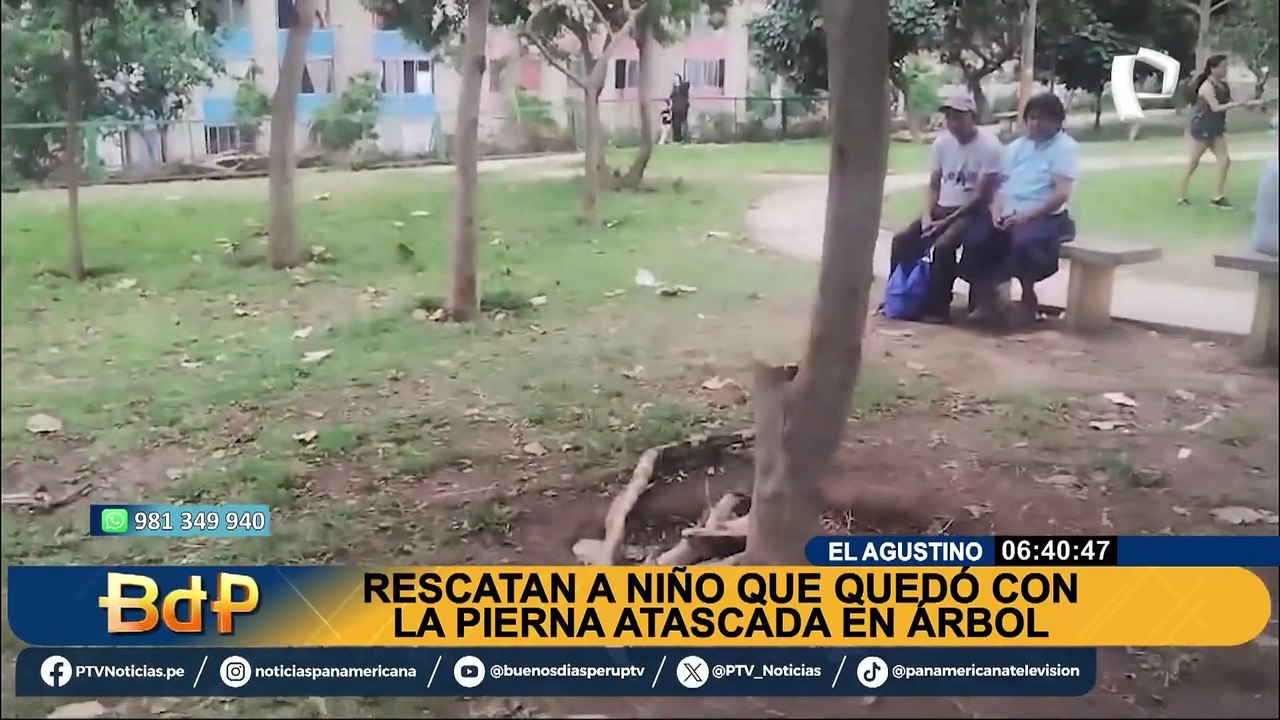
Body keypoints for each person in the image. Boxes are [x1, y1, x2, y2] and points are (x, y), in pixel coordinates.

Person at [963, 92, 1079, 324]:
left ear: (1057, 121)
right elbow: (999, 186)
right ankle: (987, 300)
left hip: (1046, 216)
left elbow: (1061, 194)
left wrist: (1027, 217)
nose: (1036, 123)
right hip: (1009, 212)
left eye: (1043, 118)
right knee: (977, 237)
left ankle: (1027, 299)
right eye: (1032, 117)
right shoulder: (1017, 147)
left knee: (1022, 243)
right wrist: (996, 211)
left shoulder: (1065, 148)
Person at [887, 92, 1003, 323]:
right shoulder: (942, 144)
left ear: (973, 116)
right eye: (949, 117)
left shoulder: (990, 147)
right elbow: (933, 184)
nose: (953, 123)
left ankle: (938, 308)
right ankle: (898, 296)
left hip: (971, 212)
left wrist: (945, 223)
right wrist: (928, 216)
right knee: (902, 241)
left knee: (943, 246)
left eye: (959, 117)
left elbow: (982, 197)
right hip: (942, 208)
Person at [1176, 54, 1263, 208]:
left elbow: (1231, 102)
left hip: (1215, 129)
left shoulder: (1222, 85)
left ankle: (1217, 197)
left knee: (1225, 161)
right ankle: (1180, 197)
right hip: (1202, 128)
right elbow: (1216, 108)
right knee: (1193, 163)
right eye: (1223, 66)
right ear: (1213, 68)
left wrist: (1253, 102)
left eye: (1226, 66)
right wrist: (1235, 105)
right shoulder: (1207, 87)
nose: (1225, 69)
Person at [669, 74, 690, 143]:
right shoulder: (674, 90)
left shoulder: (683, 88)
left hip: (682, 109)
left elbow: (687, 85)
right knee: (675, 125)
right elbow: (671, 97)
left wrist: (679, 82)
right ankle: (677, 139)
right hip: (675, 109)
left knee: (683, 124)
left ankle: (685, 139)